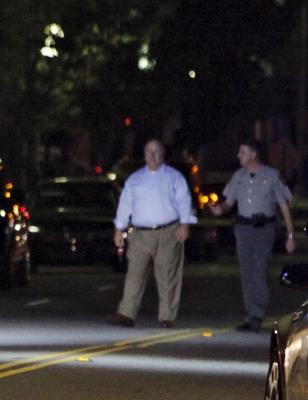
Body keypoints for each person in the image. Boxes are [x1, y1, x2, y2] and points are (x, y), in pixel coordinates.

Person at [207, 138, 294, 332]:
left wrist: (290, 235)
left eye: (243, 152)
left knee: (259, 271)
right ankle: (251, 314)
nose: (239, 155)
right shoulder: (238, 176)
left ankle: (257, 314)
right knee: (247, 273)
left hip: (264, 229)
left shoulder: (272, 176)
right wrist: (219, 209)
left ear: (253, 155)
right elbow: (228, 203)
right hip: (243, 229)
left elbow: (284, 206)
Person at [109, 139, 197, 328]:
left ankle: (167, 316)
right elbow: (125, 205)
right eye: (148, 152)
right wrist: (119, 229)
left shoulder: (174, 177)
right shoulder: (135, 180)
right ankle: (126, 313)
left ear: (162, 154)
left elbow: (184, 201)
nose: (152, 156)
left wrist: (185, 224)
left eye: (156, 152)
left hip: (168, 231)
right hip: (140, 233)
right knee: (135, 274)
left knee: (167, 275)